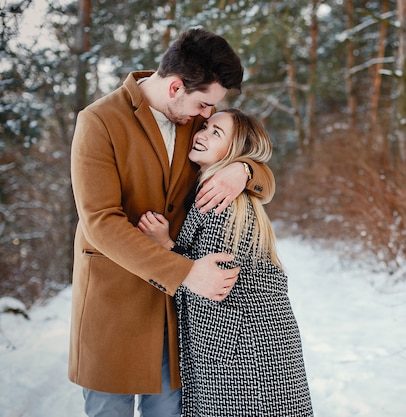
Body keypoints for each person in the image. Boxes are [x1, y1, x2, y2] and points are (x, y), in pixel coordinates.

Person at [69, 28, 275, 417]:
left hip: (172, 314)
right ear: (176, 86)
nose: (207, 115)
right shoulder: (98, 120)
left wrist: (244, 171)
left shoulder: (192, 123)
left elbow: (249, 154)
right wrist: (185, 273)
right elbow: (100, 221)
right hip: (113, 303)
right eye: (203, 104)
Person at [138, 108, 314, 417]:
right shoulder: (220, 193)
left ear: (234, 152)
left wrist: (164, 246)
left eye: (215, 133)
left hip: (243, 356)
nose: (201, 134)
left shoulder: (222, 202)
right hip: (249, 348)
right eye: (204, 126)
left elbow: (210, 286)